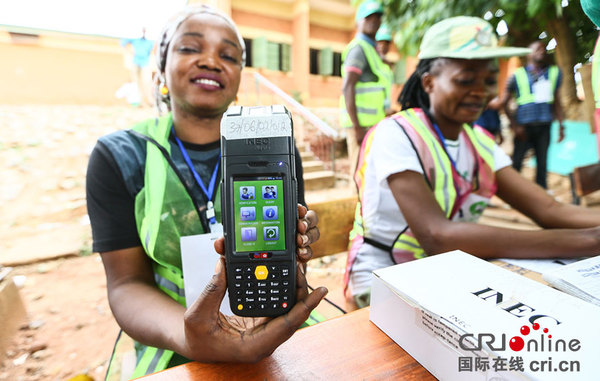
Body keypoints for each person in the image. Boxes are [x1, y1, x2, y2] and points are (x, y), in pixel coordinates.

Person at [86, 5, 327, 378]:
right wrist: (190, 336)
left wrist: (298, 245)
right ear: (162, 66)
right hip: (171, 345)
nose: (211, 61)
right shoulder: (120, 155)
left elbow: (288, 249)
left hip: (272, 324)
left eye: (229, 55)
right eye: (189, 48)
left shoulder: (280, 146)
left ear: (237, 77)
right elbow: (126, 284)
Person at [344, 16, 600, 309]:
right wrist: (588, 241)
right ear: (429, 82)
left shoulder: (479, 142)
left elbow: (549, 209)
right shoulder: (396, 133)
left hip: (444, 273)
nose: (481, 91)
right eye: (465, 80)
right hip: (382, 281)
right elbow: (436, 236)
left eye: (489, 80)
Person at [499, 40, 565, 189]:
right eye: (537, 49)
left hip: (544, 125)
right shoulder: (517, 75)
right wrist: (515, 126)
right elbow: (504, 102)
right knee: (517, 161)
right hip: (524, 127)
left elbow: (557, 101)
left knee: (542, 162)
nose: (541, 51)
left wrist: (561, 125)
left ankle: (542, 192)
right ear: (529, 54)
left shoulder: (554, 72)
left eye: (543, 49)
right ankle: (514, 193)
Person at [340, 0, 391, 175]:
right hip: (360, 125)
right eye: (369, 17)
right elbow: (348, 87)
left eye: (377, 17)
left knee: (369, 173)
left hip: (372, 124)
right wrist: (357, 127)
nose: (374, 21)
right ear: (358, 22)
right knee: (359, 173)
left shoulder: (372, 50)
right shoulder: (358, 49)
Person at [120, 28, 155, 107]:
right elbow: (123, 43)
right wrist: (130, 51)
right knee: (136, 83)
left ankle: (150, 100)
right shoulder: (135, 40)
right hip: (136, 62)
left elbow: (156, 48)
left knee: (146, 81)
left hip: (145, 63)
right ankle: (140, 101)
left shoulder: (150, 42)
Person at [375, 23, 396, 116]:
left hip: (383, 114)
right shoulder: (371, 62)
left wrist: (387, 109)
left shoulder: (388, 67)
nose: (383, 46)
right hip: (372, 114)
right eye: (380, 42)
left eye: (386, 43)